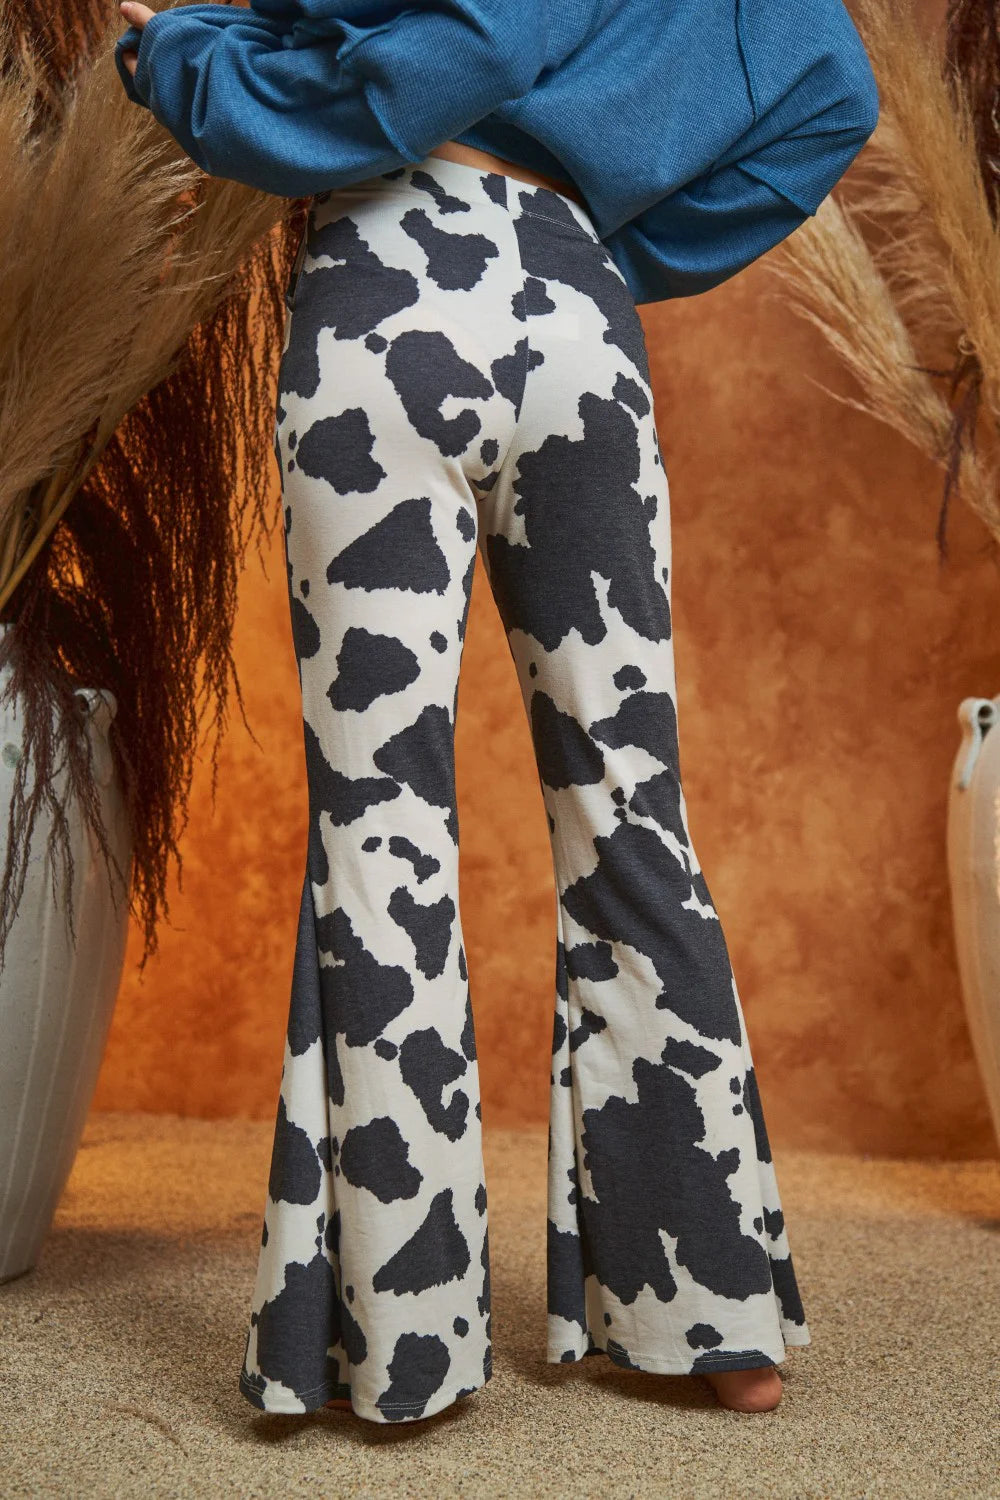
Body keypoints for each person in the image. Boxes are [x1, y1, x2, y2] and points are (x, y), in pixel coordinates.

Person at [116, 0, 879, 1426]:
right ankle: (715, 1320)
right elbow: (833, 89)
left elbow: (453, 51)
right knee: (631, 814)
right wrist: (605, 248)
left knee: (381, 821)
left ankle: (406, 1348)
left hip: (388, 280)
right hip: (577, 313)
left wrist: (181, 56)